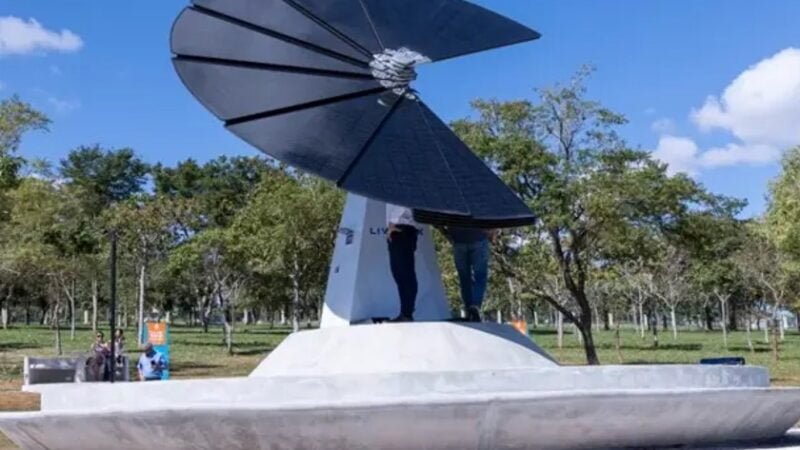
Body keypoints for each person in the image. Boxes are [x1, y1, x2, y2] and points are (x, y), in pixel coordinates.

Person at [443, 226, 496, 322]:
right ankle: (474, 306)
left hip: (458, 239)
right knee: (480, 276)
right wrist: (492, 230)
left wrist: (448, 232)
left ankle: (469, 309)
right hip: (478, 237)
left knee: (464, 278)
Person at [386, 203, 421, 322]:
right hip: (401, 228)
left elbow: (402, 200)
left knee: (404, 272)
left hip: (401, 228)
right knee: (400, 273)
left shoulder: (399, 184)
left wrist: (392, 222)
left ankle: (407, 313)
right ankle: (405, 312)